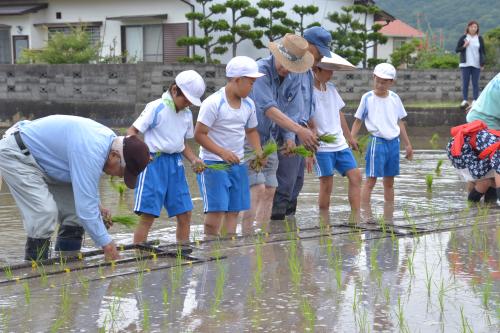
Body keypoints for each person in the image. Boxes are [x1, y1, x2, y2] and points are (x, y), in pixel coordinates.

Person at [0, 115, 150, 261]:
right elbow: (86, 209)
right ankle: (35, 273)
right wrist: (108, 245)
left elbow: (85, 181)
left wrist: (98, 205)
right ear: (114, 156)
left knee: (75, 216)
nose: (119, 177)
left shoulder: (111, 142)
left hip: (46, 163)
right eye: (122, 171)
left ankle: (66, 264)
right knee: (44, 214)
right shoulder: (91, 149)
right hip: (18, 155)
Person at [241, 33, 318, 231]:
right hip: (250, 137)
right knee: (255, 189)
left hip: (272, 139)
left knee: (270, 189)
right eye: (283, 63)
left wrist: (291, 138)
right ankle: (246, 234)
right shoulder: (260, 72)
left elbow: (292, 109)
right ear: (274, 54)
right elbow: (269, 108)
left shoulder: (293, 76)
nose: (285, 69)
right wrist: (300, 130)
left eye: (291, 66)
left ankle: (263, 234)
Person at [128, 70, 206, 244]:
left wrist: (194, 159)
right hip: (153, 163)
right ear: (174, 90)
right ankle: (138, 253)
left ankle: (183, 250)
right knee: (148, 214)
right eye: (185, 99)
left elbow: (182, 143)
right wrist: (139, 154)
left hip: (175, 164)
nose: (187, 104)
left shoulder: (186, 114)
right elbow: (132, 132)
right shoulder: (156, 107)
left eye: (190, 102)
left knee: (185, 212)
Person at [195, 56, 265, 236]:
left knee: (234, 211)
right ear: (237, 80)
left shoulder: (249, 104)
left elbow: (251, 131)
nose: (252, 87)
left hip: (238, 164)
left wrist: (258, 152)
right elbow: (199, 135)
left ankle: (229, 251)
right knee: (216, 213)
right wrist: (222, 152)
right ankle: (212, 253)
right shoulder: (213, 103)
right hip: (213, 164)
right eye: (250, 82)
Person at [271, 26, 332, 221]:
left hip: (302, 131)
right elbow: (286, 106)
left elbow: (306, 104)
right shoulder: (292, 67)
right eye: (319, 52)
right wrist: (290, 136)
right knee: (284, 182)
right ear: (309, 46)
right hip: (288, 131)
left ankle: (289, 233)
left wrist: (312, 129)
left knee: (297, 182)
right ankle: (275, 231)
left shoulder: (307, 71)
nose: (321, 58)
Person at [351, 63, 413, 207]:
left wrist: (408, 144)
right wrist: (351, 138)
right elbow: (358, 121)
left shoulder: (395, 98)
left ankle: (389, 214)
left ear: (391, 82)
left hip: (394, 143)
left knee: (389, 181)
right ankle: (365, 213)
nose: (379, 85)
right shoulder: (367, 98)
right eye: (377, 80)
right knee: (371, 180)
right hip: (376, 142)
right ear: (373, 77)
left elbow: (400, 122)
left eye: (384, 82)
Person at [311, 53, 362, 222]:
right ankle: (324, 221)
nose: (331, 74)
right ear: (316, 69)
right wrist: (309, 148)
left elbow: (339, 113)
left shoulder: (331, 88)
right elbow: (304, 119)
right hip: (322, 146)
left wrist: (349, 138)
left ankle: (356, 217)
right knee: (327, 184)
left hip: (339, 144)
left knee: (356, 176)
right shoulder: (308, 92)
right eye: (328, 70)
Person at [455, 20, 486, 108]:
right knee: (465, 82)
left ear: (477, 29)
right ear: (468, 27)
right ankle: (465, 100)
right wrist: (464, 46)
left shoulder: (479, 38)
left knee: (475, 83)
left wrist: (482, 63)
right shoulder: (464, 37)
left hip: (476, 64)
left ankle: (475, 100)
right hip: (465, 64)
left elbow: (483, 51)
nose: (474, 28)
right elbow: (457, 50)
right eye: (472, 26)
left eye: (475, 27)